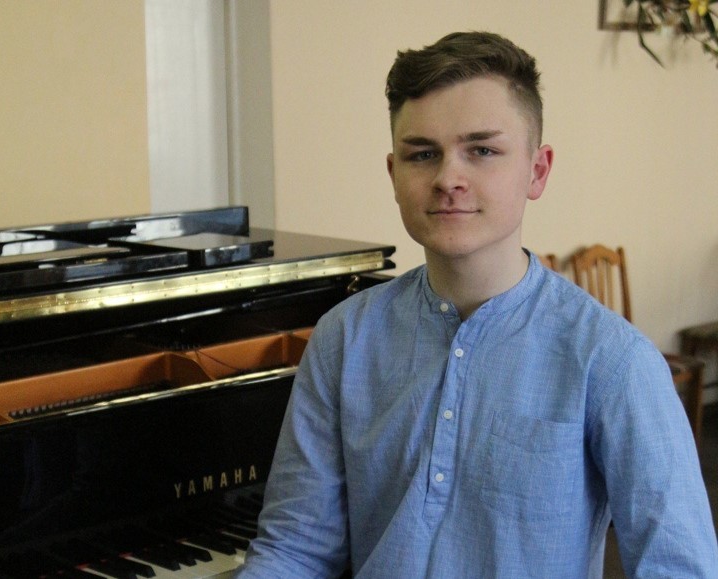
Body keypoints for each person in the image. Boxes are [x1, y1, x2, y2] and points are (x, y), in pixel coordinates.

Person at [236, 31, 718, 578]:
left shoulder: (613, 361)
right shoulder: (343, 338)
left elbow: (679, 568)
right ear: (394, 174)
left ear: (537, 171)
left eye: (482, 151)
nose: (448, 179)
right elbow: (295, 549)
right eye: (423, 154)